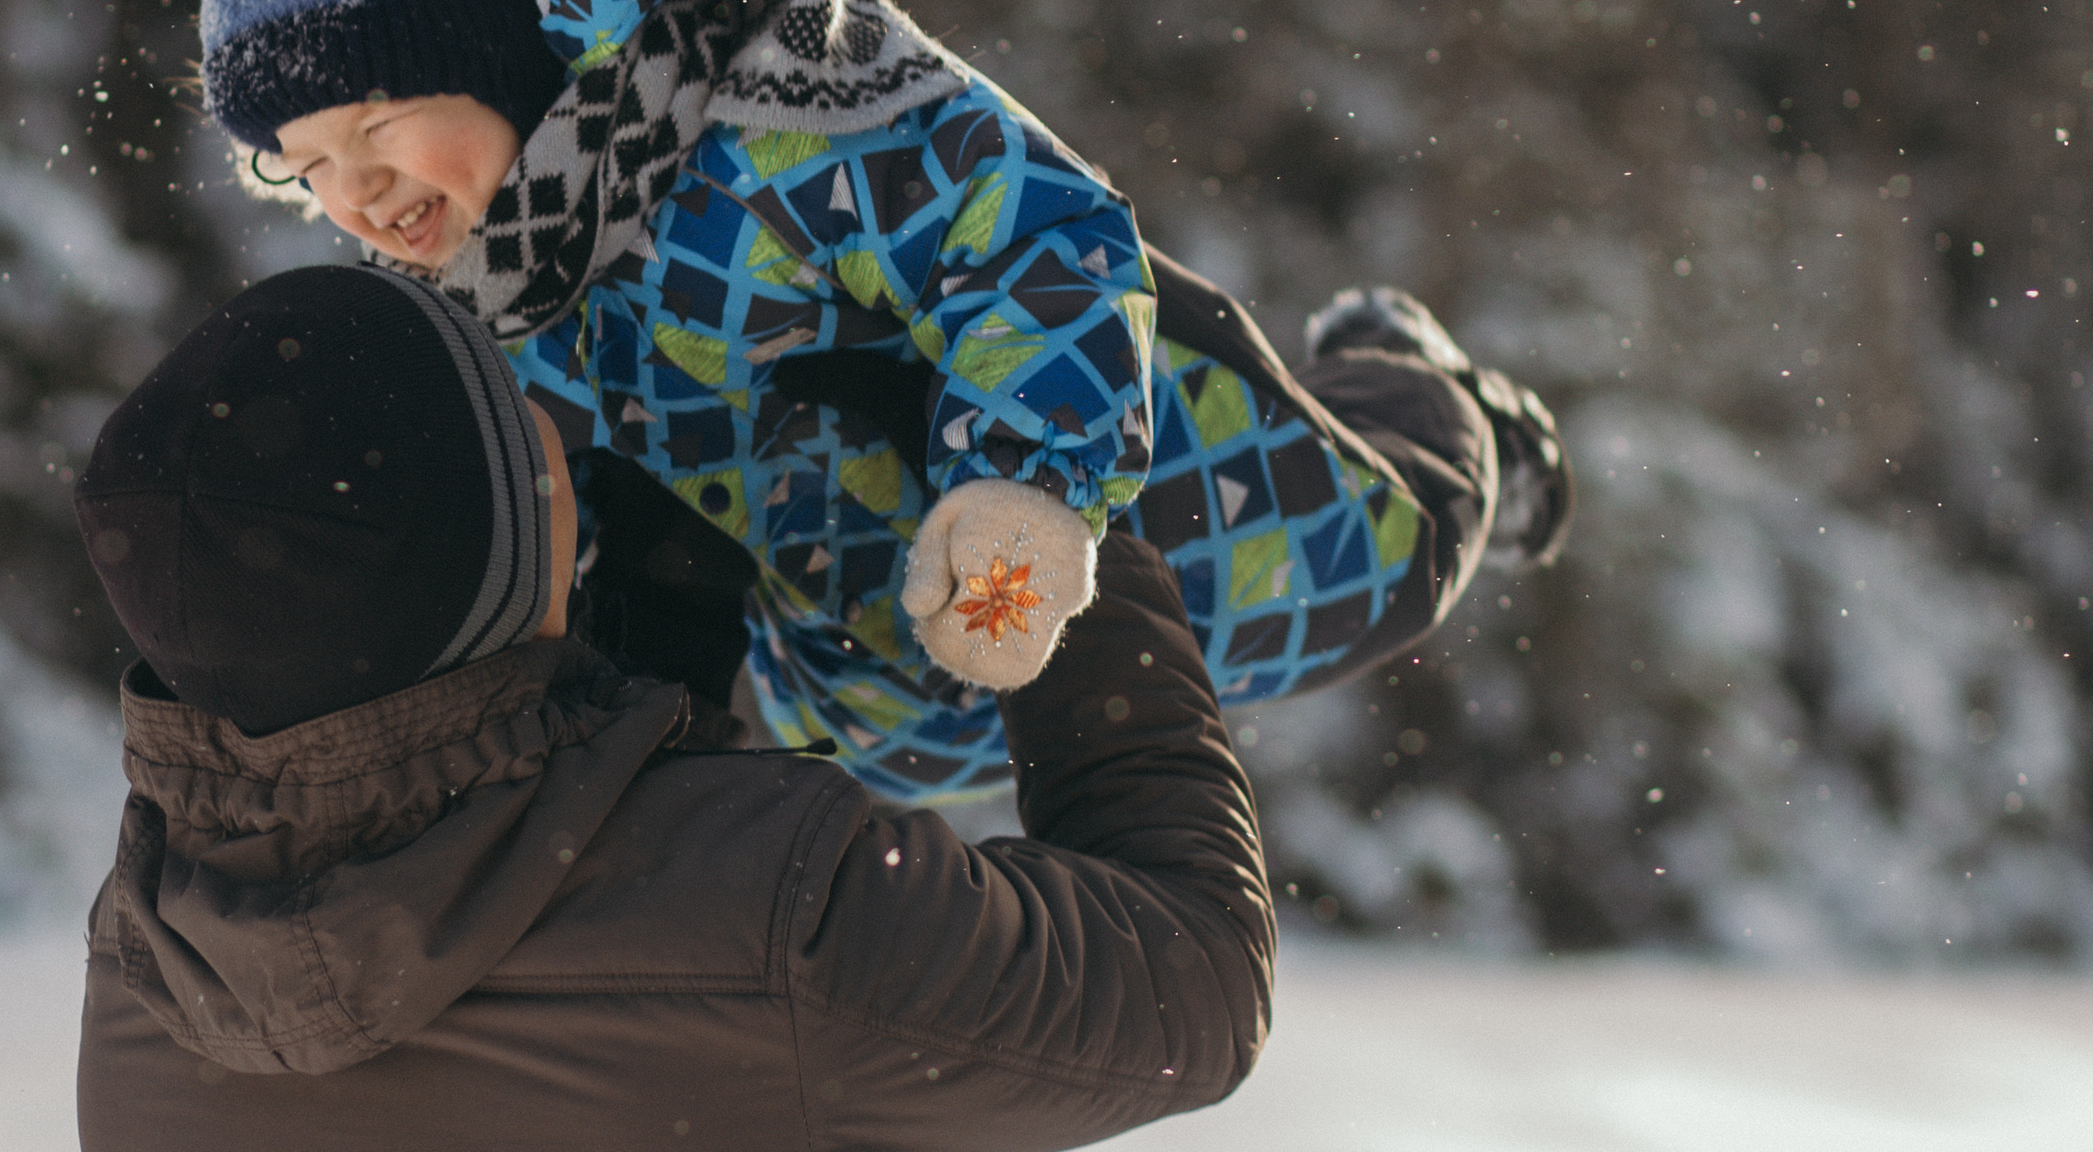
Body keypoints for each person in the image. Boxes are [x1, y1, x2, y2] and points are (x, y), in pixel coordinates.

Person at [111, 0, 1572, 804]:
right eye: (302, 164)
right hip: (860, 673)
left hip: (1145, 488)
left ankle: (1430, 388)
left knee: (1396, 554)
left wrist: (1025, 487)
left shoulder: (760, 79)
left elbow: (1034, 234)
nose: (355, 193)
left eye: (380, 122)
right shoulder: (470, 281)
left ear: (495, 42)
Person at [71, 263, 1275, 1151]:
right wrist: (1040, 540)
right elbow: (1198, 982)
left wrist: (661, 621)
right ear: (504, 542)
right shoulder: (783, 917)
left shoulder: (154, 965)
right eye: (524, 437)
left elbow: (582, 960)